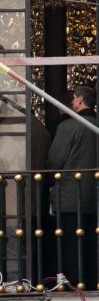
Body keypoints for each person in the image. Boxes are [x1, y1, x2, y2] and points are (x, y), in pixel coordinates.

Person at [46, 85, 98, 288]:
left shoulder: (69, 126)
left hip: (69, 195)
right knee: (90, 243)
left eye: (74, 99)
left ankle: (73, 284)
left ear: (79, 100)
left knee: (70, 245)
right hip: (93, 196)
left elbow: (54, 161)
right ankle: (92, 282)